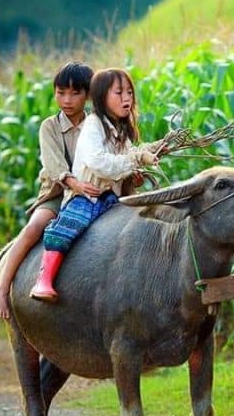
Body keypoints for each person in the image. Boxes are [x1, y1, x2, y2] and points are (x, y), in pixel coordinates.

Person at [29, 68, 163, 302]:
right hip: (85, 196)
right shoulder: (92, 125)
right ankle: (44, 279)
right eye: (119, 93)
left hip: (110, 197)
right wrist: (135, 160)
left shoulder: (121, 130)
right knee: (66, 228)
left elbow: (128, 157)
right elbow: (98, 161)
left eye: (129, 93)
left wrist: (135, 170)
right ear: (100, 97)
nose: (126, 99)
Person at [0, 60, 97, 319]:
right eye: (61, 93)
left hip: (93, 192)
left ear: (88, 95)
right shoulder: (49, 127)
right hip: (58, 194)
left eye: (75, 93)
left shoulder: (96, 125)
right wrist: (75, 185)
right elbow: (54, 166)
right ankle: (3, 289)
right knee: (34, 228)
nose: (67, 100)